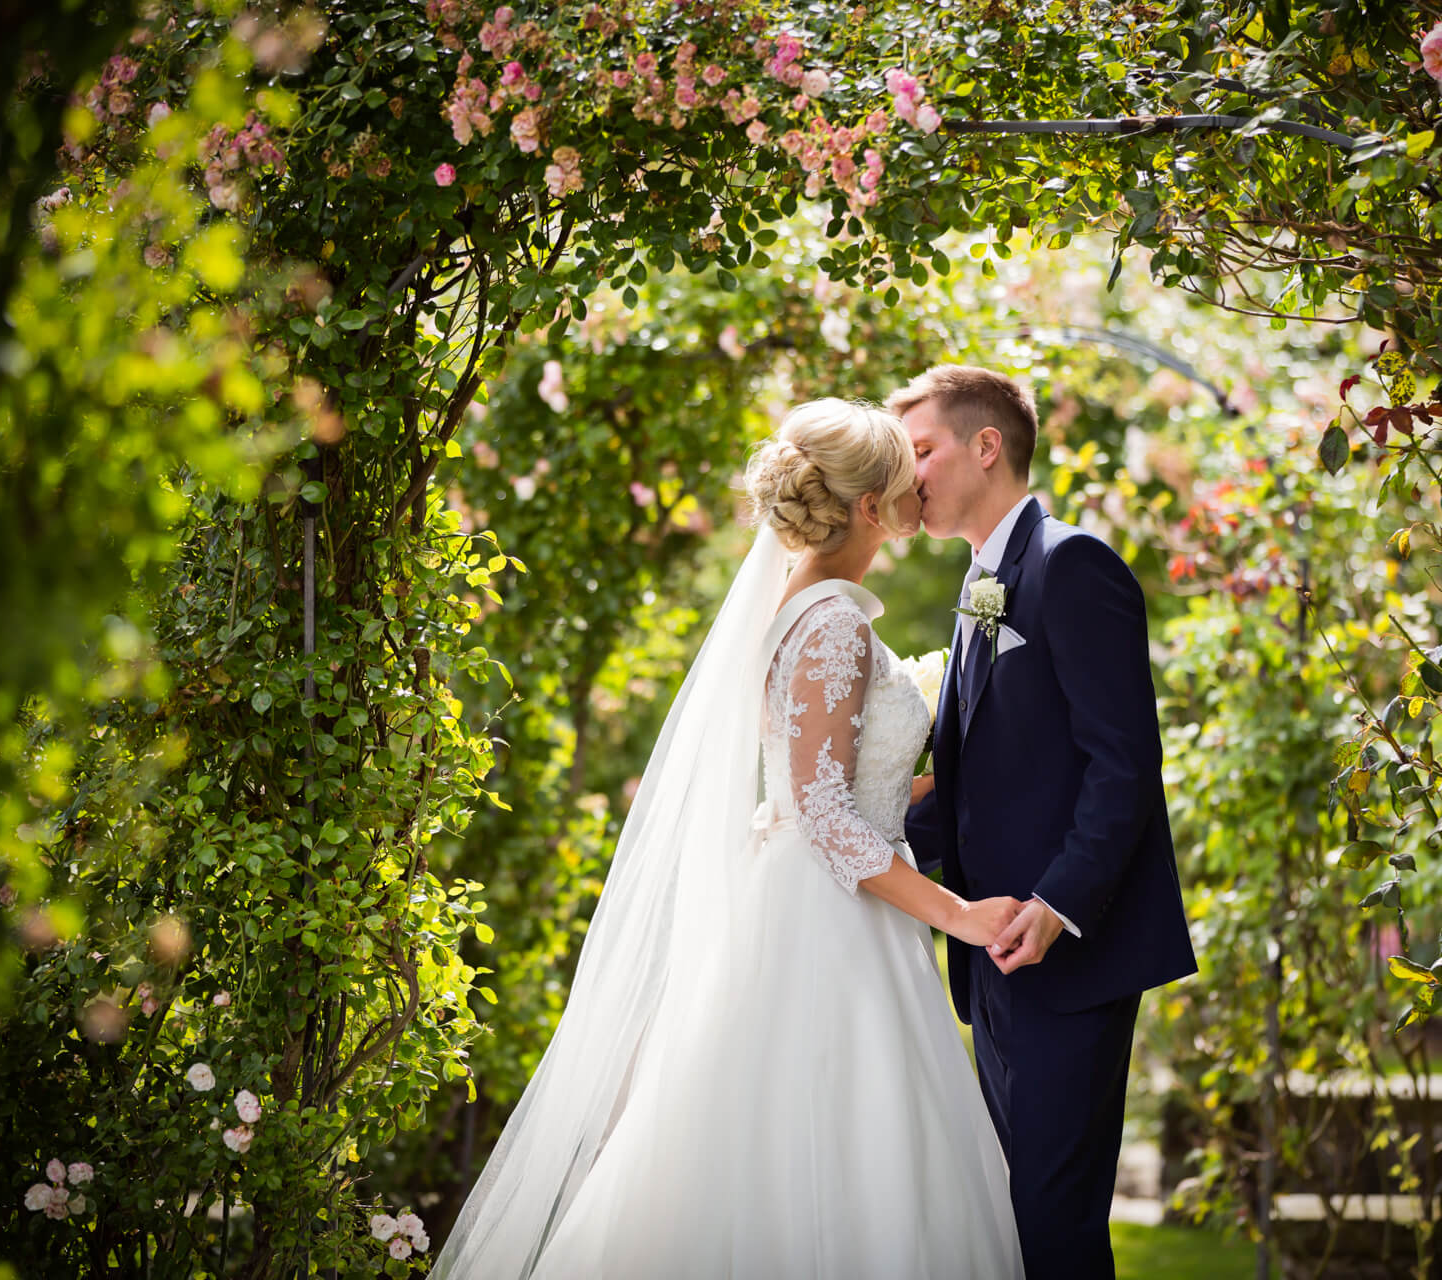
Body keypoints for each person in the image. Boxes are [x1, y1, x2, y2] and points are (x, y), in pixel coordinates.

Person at [429, 398, 1025, 1278]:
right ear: (869, 509)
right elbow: (825, 815)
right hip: (829, 921)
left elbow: (845, 786)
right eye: (907, 475)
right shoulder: (829, 626)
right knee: (828, 1147)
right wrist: (961, 915)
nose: (919, 490)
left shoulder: (812, 611)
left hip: (826, 899)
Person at [897, 365, 1199, 1279]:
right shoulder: (978, 581)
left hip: (1067, 952)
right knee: (1009, 1221)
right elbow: (986, 779)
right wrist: (846, 841)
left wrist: (1058, 904)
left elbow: (1123, 767)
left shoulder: (1072, 564)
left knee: (1053, 1227)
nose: (907, 473)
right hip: (993, 958)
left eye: (922, 450)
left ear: (986, 446)